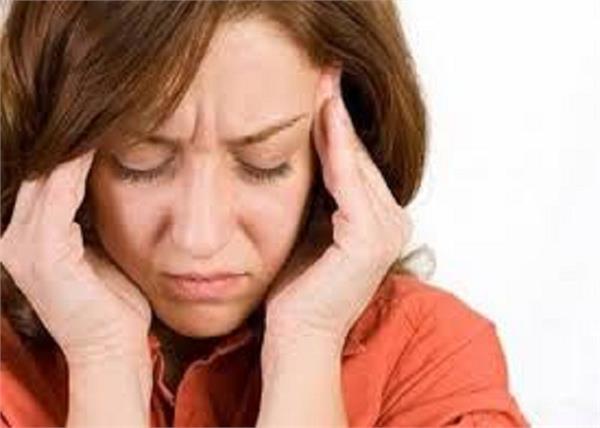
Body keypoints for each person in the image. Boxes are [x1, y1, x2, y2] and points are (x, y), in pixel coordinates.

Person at [0, 2, 529, 427]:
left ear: (344, 147)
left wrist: (308, 343)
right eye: (141, 163)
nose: (199, 236)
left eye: (264, 163)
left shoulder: (428, 359)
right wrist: (102, 360)